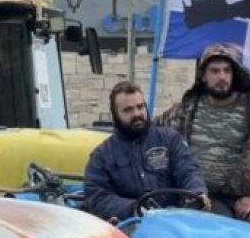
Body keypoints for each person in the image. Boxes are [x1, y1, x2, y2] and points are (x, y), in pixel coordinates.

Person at [156, 43, 250, 229]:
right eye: (214, 71)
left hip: (249, 199)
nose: (221, 77)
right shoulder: (186, 109)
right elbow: (150, 135)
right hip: (203, 200)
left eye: (226, 71)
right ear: (203, 76)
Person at [84, 81, 209, 223]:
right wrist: (133, 208)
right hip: (132, 228)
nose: (137, 114)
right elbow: (97, 197)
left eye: (140, 106)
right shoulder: (102, 156)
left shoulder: (170, 139)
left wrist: (197, 194)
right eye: (128, 110)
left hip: (177, 224)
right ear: (115, 115)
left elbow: (188, 170)